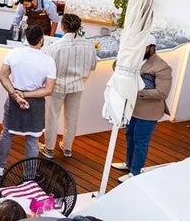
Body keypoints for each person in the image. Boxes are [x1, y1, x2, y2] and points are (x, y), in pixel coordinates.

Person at [0, 26, 58, 176]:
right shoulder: (49, 61)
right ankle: (29, 175)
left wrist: (16, 95)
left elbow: (2, 76)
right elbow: (48, 90)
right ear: (41, 40)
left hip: (14, 99)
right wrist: (25, 95)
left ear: (26, 38)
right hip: (36, 102)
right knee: (33, 140)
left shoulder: (14, 53)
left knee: (7, 132)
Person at [111, 34, 172, 180]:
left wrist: (135, 91)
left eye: (143, 48)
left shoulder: (162, 67)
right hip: (132, 108)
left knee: (141, 141)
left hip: (148, 112)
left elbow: (162, 92)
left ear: (152, 48)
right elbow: (116, 67)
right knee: (130, 136)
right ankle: (128, 163)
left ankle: (135, 172)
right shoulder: (135, 59)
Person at [41, 13, 97, 158]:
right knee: (72, 117)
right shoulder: (89, 45)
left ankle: (49, 149)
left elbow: (48, 68)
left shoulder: (56, 46)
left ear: (63, 26)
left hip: (57, 86)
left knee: (52, 117)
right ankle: (67, 148)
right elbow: (92, 66)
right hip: (77, 86)